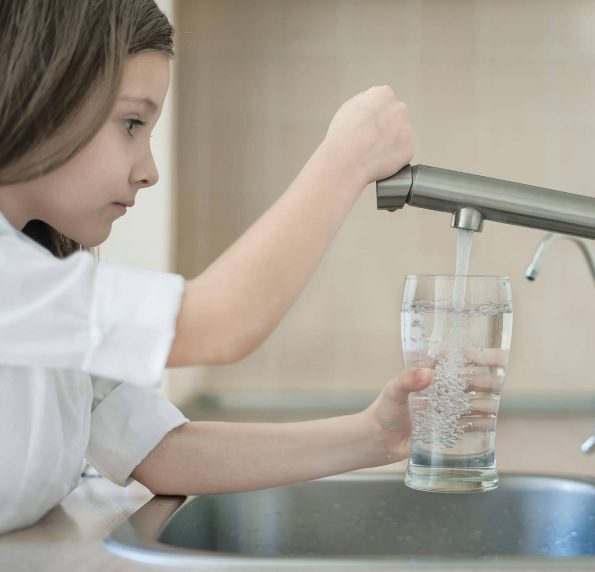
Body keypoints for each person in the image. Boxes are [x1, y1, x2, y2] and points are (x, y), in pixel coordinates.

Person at [0, 0, 428, 535]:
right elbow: (221, 322)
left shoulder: (36, 271)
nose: (149, 171)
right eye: (131, 122)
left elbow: (159, 453)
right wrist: (347, 159)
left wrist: (375, 437)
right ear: (42, 91)